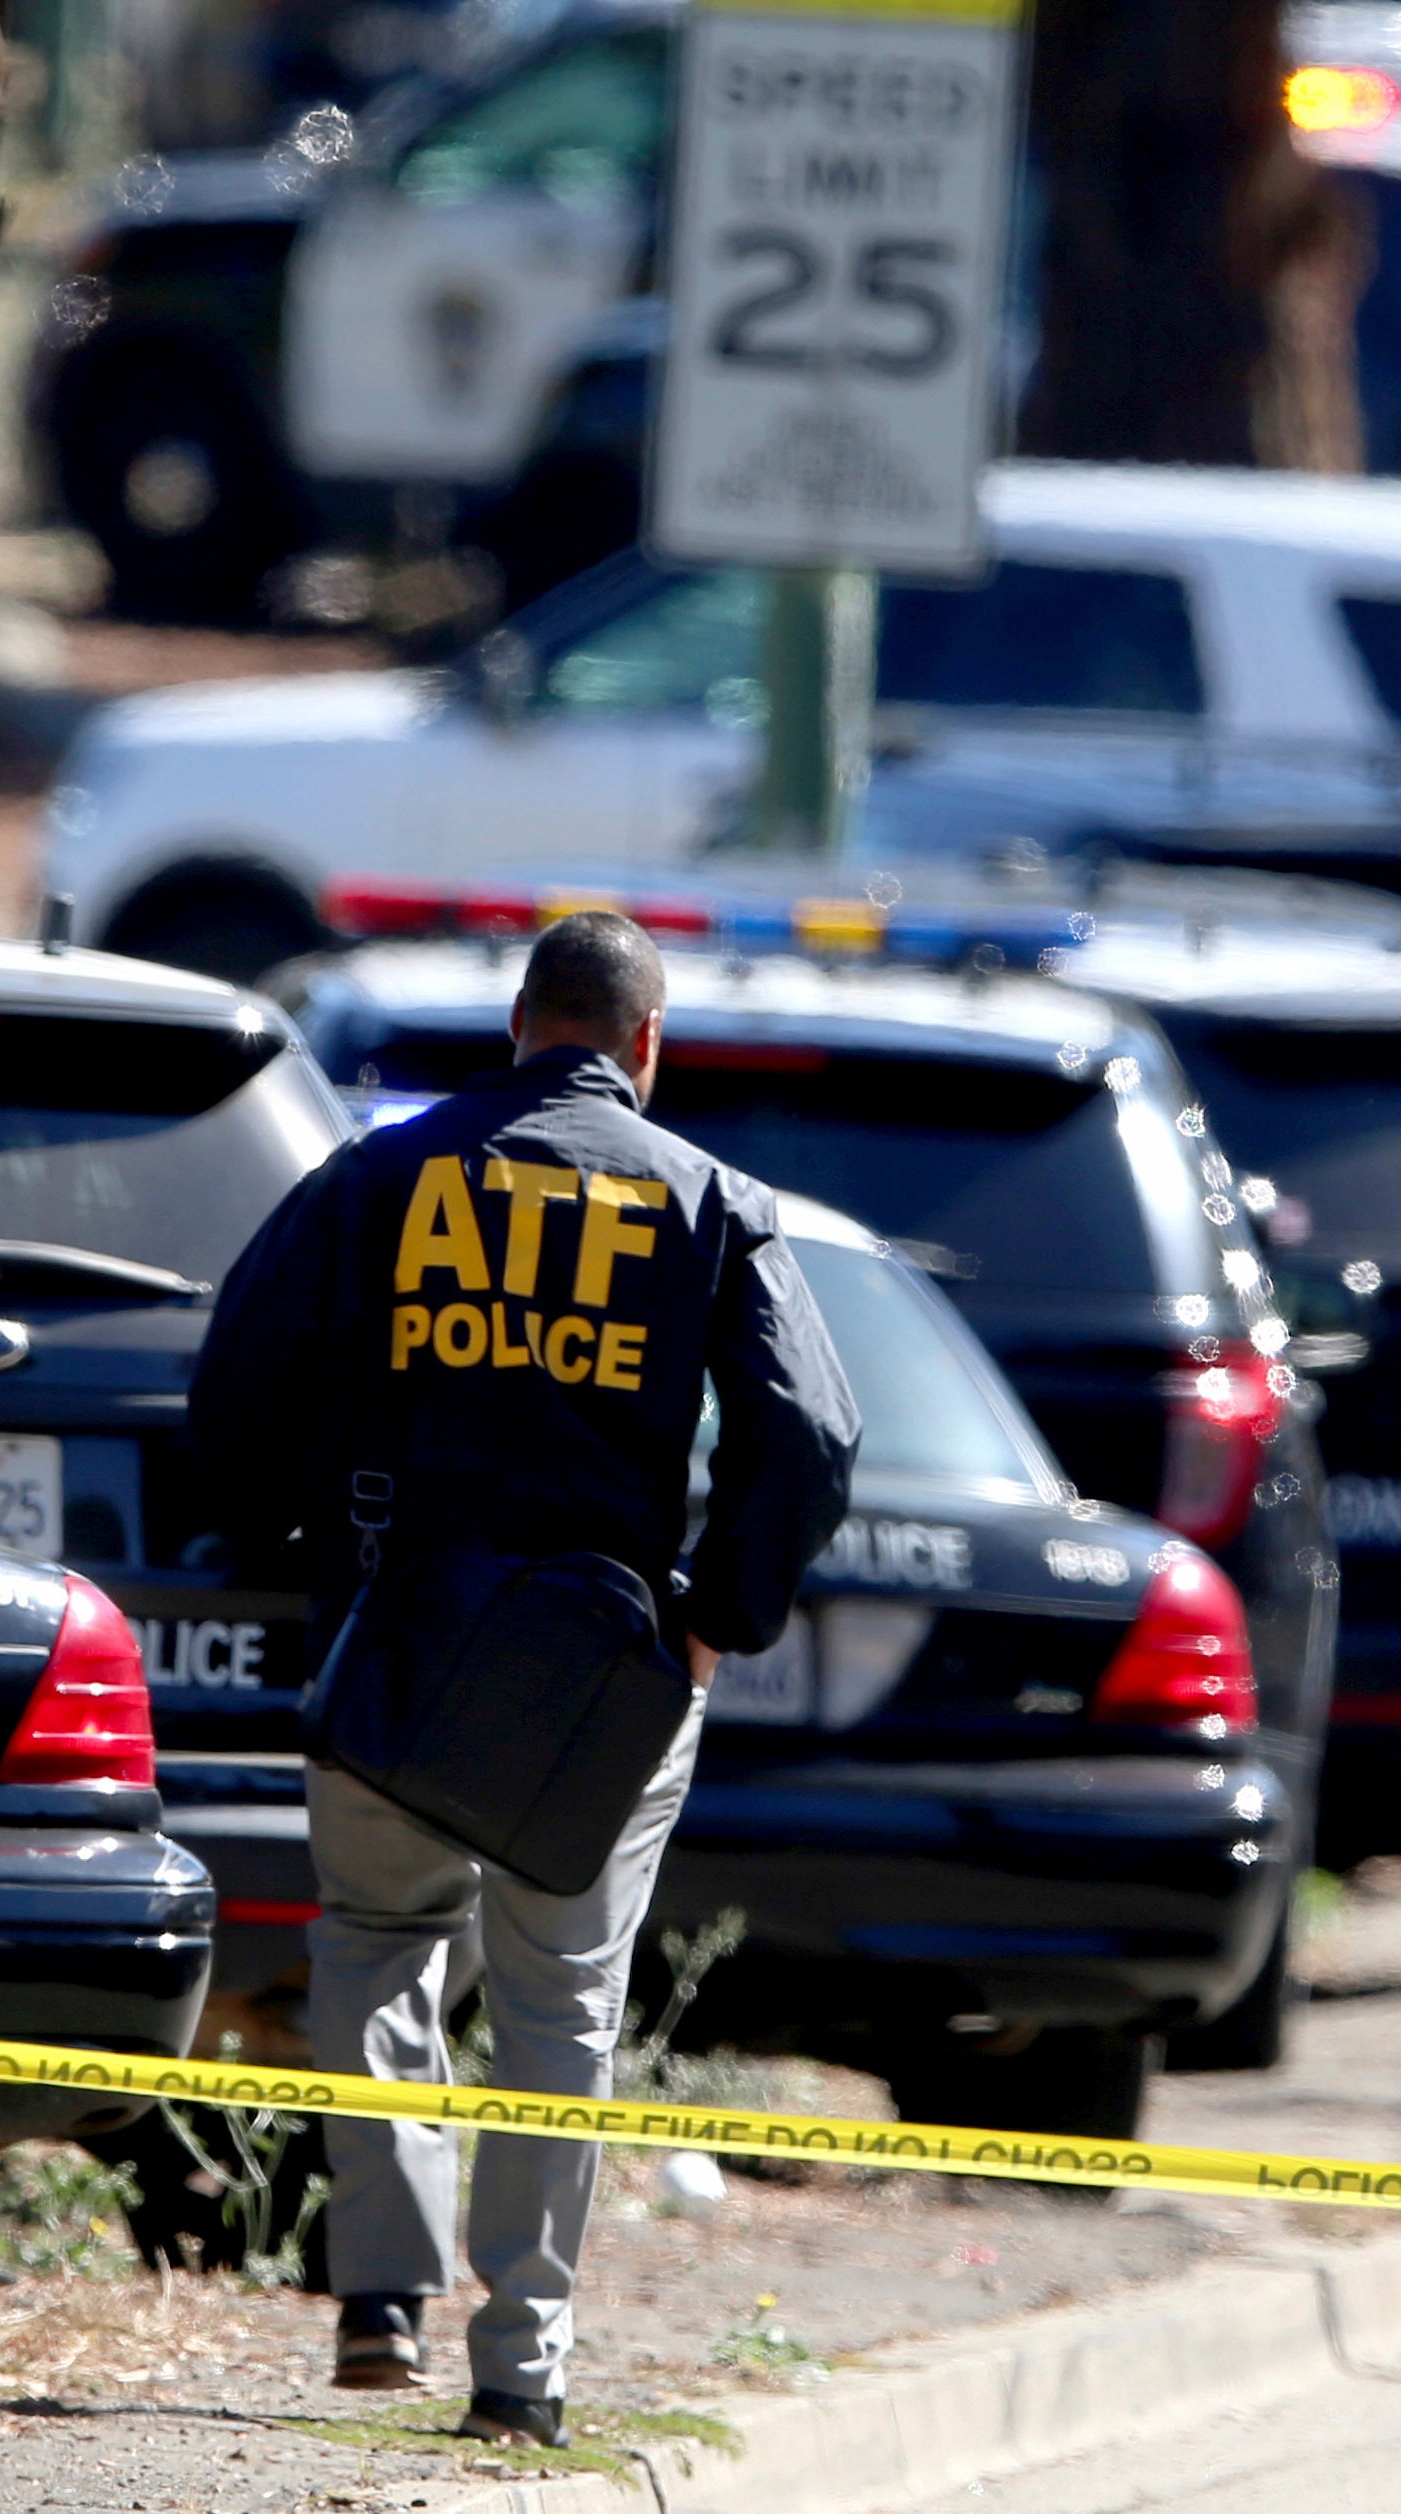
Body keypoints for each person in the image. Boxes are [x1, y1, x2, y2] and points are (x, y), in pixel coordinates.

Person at [192, 910, 860, 2446]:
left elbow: (234, 1386)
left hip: (394, 1638)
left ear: (517, 1025)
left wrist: (306, 1543)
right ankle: (523, 2368)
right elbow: (811, 1438)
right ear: (645, 1042)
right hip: (600, 1675)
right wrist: (713, 1619)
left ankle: (375, 2298)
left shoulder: (377, 1175)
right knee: (562, 2004)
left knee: (374, 1942)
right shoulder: (712, 1203)